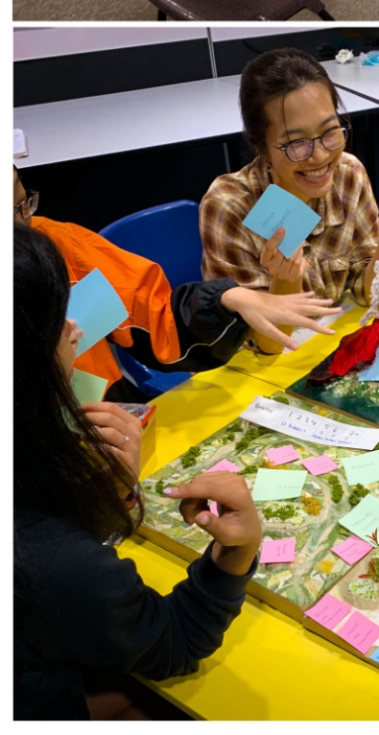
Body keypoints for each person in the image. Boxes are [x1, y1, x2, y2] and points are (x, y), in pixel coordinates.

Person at [15, 223, 263, 720]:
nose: (76, 329)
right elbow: (174, 642)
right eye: (56, 319)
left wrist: (112, 495)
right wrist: (238, 550)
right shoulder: (55, 564)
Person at [16, 169, 341, 394]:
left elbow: (155, 318)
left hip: (103, 427)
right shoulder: (227, 200)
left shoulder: (59, 245)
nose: (23, 223)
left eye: (23, 204)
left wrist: (225, 301)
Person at [199, 48, 379, 334]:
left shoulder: (347, 176)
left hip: (328, 343)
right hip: (262, 363)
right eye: (296, 143)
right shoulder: (230, 206)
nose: (319, 157)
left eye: (330, 131)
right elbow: (266, 344)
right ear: (260, 146)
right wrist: (285, 279)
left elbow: (370, 293)